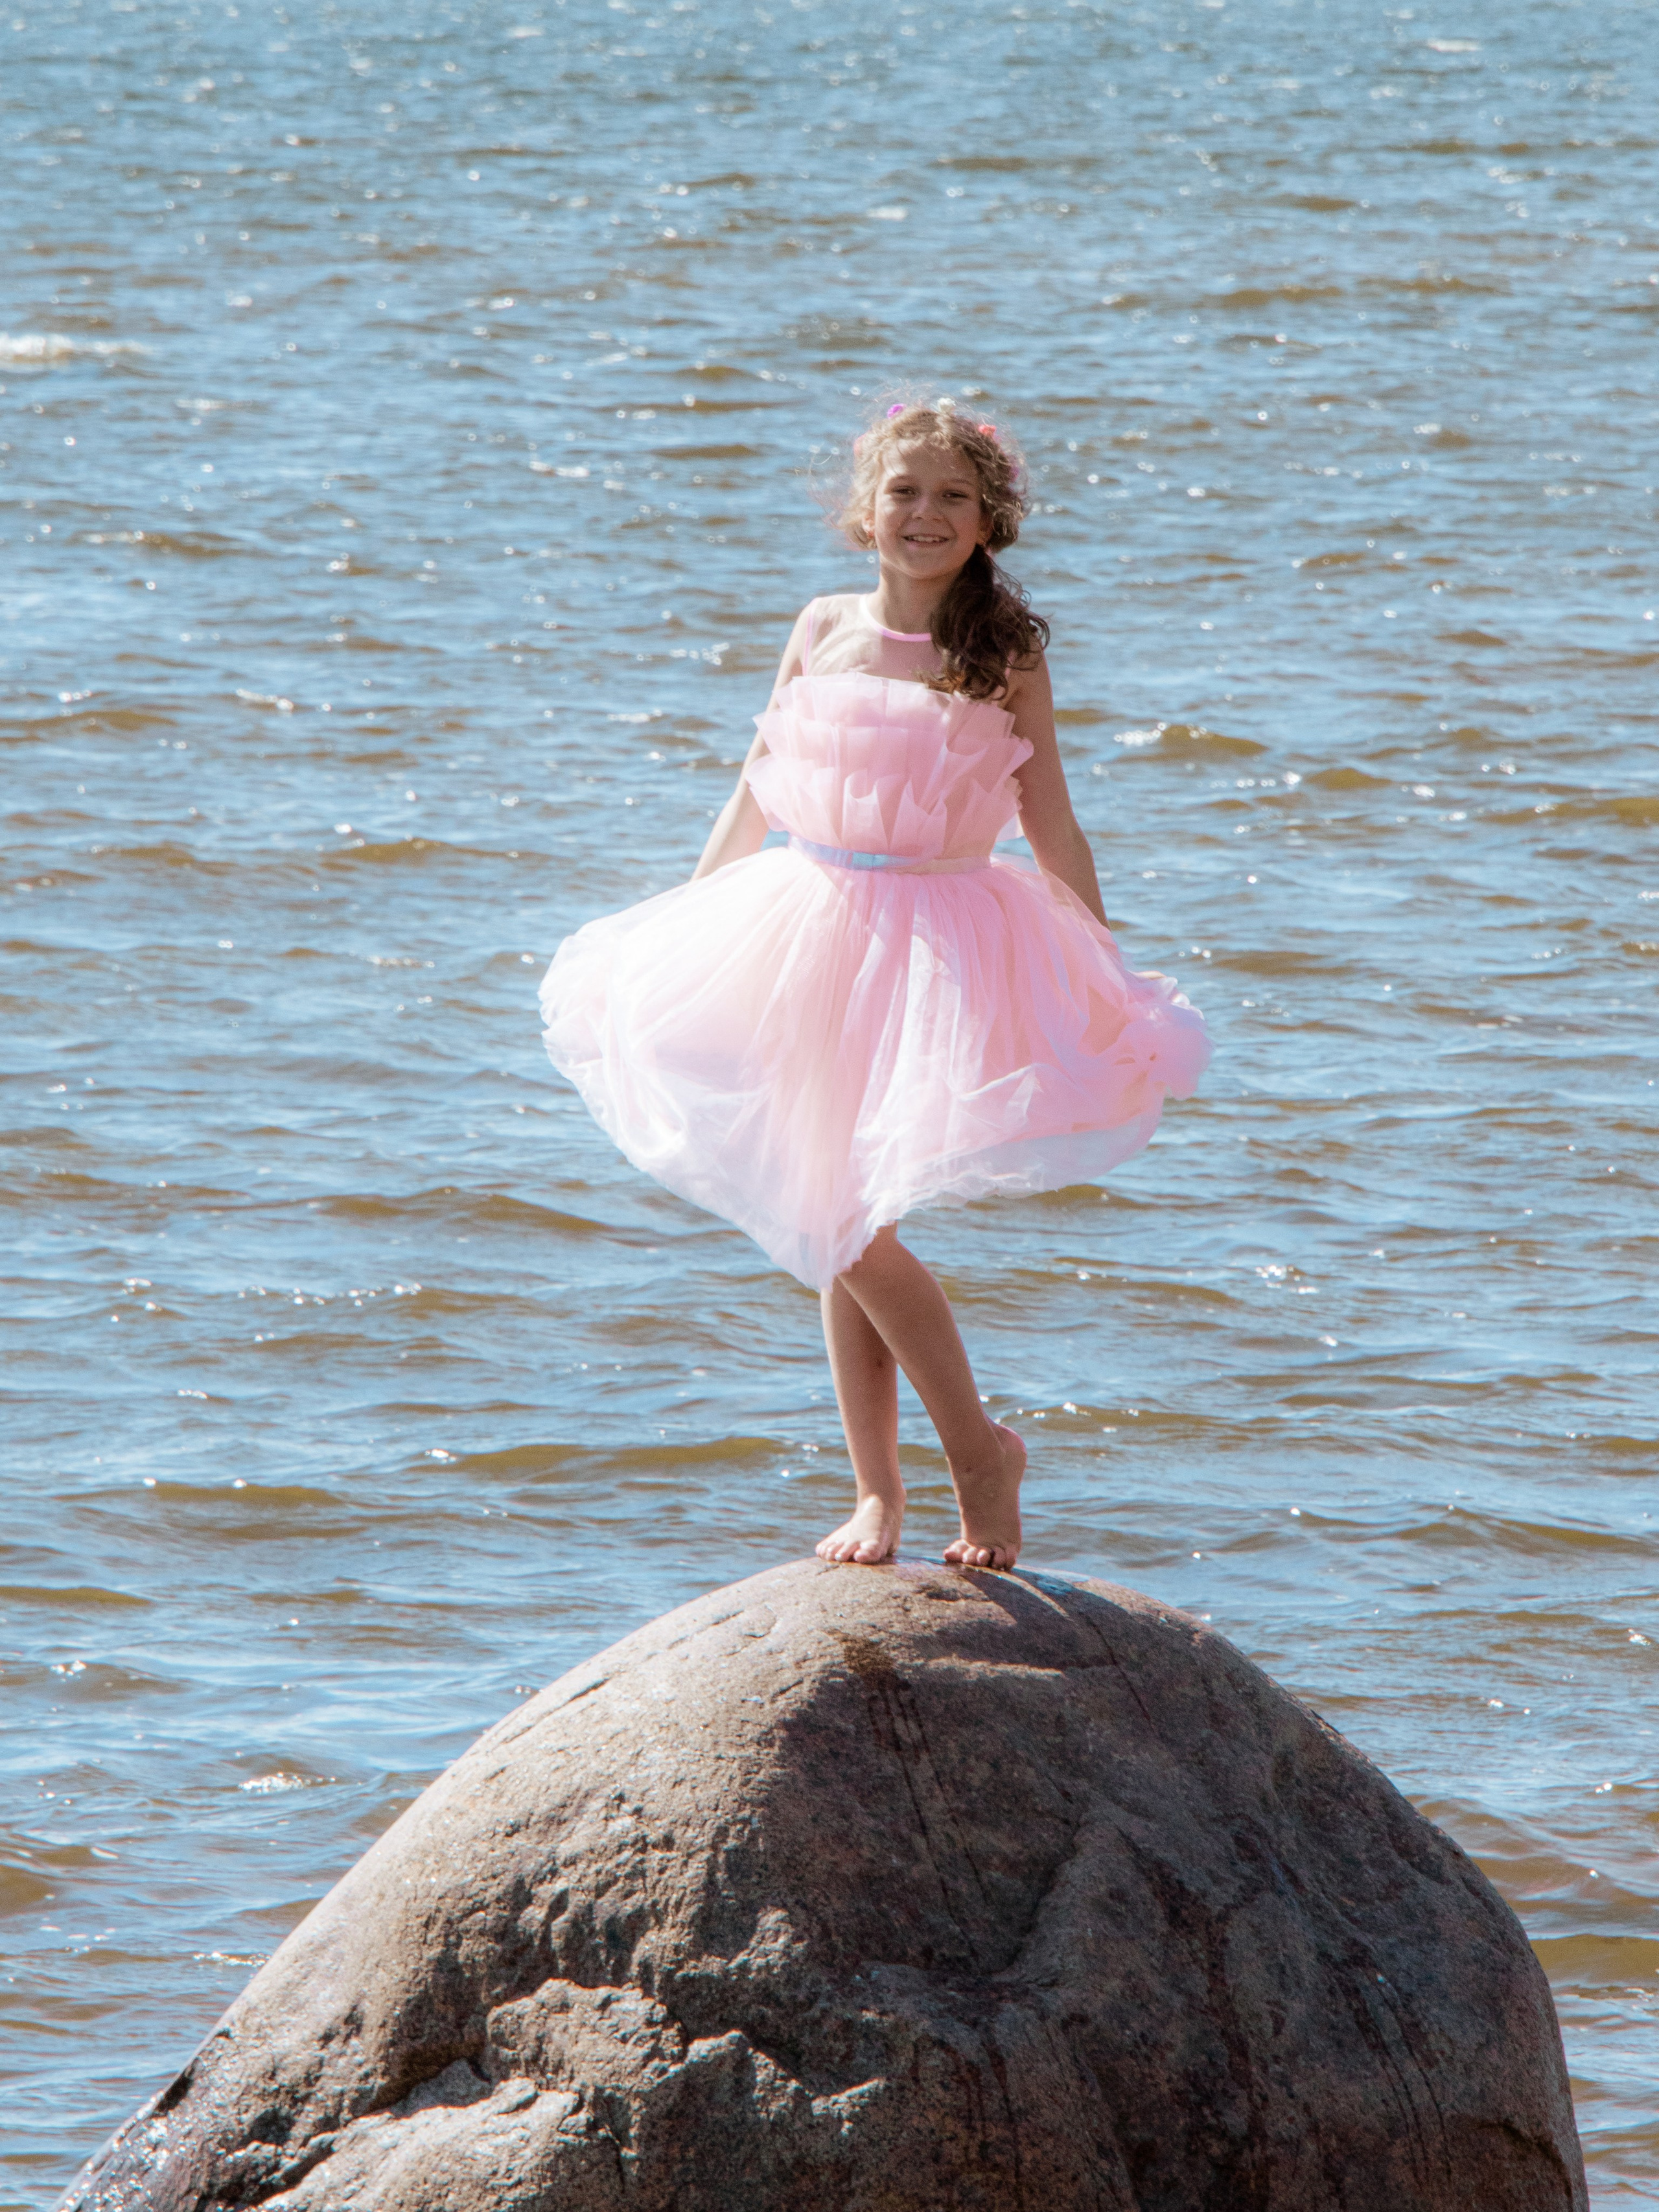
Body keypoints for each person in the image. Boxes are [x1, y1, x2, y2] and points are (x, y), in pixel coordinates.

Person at [540, 395, 1211, 1572]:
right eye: (905, 491)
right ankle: (877, 1492)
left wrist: (1102, 963)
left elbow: (1051, 819)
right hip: (805, 925)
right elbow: (755, 787)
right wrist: (679, 925)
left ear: (989, 520)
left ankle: (980, 1460)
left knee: (848, 1219)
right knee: (834, 1214)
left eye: (955, 497)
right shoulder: (821, 625)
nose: (926, 514)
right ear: (865, 508)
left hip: (937, 938)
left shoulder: (1004, 651)